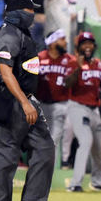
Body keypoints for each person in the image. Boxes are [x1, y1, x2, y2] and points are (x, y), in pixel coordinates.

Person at [0, 0, 56, 201]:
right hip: (8, 102)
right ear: (17, 12)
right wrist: (25, 103)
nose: (33, 14)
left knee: (44, 147)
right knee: (6, 154)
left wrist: (29, 100)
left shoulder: (21, 33)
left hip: (24, 99)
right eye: (29, 10)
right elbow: (5, 73)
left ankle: (33, 199)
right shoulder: (8, 34)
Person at [65, 31, 101, 192]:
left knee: (99, 146)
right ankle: (75, 184)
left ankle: (98, 181)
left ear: (94, 46)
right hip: (77, 107)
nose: (87, 46)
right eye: (84, 43)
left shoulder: (97, 64)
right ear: (78, 47)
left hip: (94, 109)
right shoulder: (72, 62)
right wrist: (77, 68)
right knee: (85, 141)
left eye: (90, 43)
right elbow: (67, 84)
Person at [36, 29, 75, 168]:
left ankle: (63, 161)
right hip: (42, 105)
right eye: (62, 39)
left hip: (63, 103)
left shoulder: (70, 60)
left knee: (61, 134)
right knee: (46, 139)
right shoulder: (39, 58)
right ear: (52, 42)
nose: (65, 42)